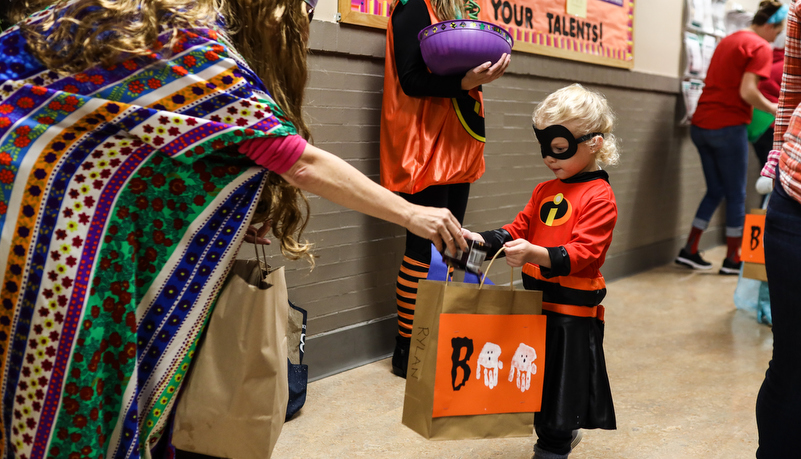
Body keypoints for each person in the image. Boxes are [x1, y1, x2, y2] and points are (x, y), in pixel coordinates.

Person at [0, 0, 468, 457]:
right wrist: (413, 214)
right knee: (71, 391)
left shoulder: (97, 21)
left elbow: (143, 150)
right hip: (53, 251)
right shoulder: (185, 38)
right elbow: (297, 161)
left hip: (20, 214)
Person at [462, 84, 619, 459]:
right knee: (536, 381)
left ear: (594, 142)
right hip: (536, 307)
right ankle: (555, 433)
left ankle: (554, 446)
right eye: (544, 147)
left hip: (570, 313)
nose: (550, 157)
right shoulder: (545, 190)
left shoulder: (599, 196)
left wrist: (537, 253)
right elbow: (517, 229)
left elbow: (585, 252)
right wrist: (476, 242)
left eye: (560, 148)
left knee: (561, 386)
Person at [380, 0, 510, 377]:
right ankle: (408, 348)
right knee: (422, 250)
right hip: (423, 145)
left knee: (452, 244)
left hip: (458, 140)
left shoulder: (464, 10)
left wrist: (482, 75)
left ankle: (437, 334)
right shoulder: (413, 7)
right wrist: (465, 82)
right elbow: (411, 80)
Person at [675, 0, 786, 275]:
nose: (776, 37)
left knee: (716, 190)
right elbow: (748, 92)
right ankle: (733, 260)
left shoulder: (730, 40)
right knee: (736, 193)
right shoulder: (760, 46)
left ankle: (689, 250)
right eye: (777, 31)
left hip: (701, 124)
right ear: (770, 25)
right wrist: (776, 109)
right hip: (728, 126)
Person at [755, 1, 801, 456]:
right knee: (792, 360)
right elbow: (789, 93)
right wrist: (774, 160)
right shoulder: (756, 42)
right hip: (794, 197)